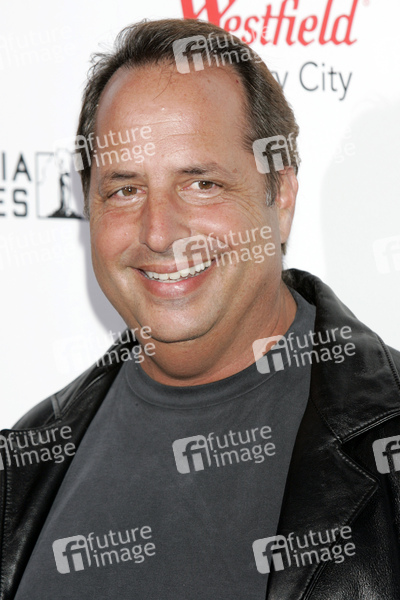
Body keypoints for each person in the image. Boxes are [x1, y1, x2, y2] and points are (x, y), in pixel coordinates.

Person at [1, 18, 399, 600]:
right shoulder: (24, 464)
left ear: (281, 197)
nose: (159, 233)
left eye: (201, 184)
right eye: (125, 190)